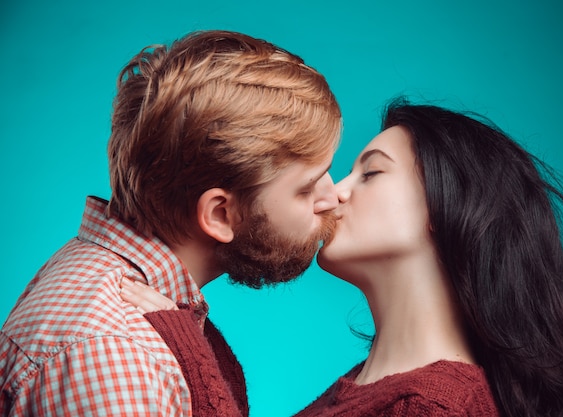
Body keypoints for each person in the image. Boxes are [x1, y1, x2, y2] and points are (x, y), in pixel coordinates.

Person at [121, 100, 563, 417]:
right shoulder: (370, 386)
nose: (333, 192)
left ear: (444, 207)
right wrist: (192, 335)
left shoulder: (433, 408)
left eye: (370, 173)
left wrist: (182, 336)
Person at [0, 30, 342, 417]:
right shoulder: (118, 358)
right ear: (219, 215)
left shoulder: (105, 291)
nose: (332, 197)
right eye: (307, 187)